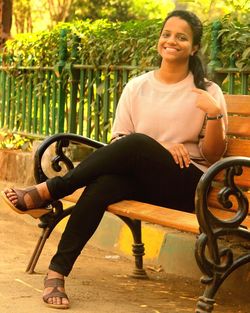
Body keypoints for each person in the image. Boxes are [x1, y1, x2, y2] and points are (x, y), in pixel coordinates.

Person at [1, 10, 228, 309]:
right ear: (160, 39)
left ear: (194, 47)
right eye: (167, 34)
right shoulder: (137, 87)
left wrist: (214, 113)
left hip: (187, 185)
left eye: (182, 37)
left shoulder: (208, 92)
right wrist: (160, 145)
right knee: (104, 185)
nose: (171, 41)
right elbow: (119, 142)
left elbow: (214, 155)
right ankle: (57, 272)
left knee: (136, 143)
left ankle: (50, 190)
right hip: (142, 180)